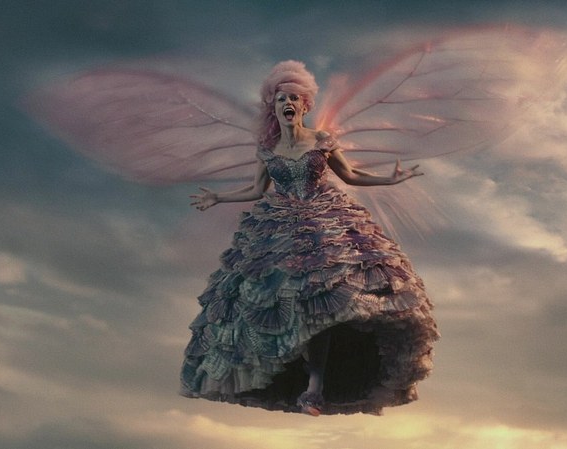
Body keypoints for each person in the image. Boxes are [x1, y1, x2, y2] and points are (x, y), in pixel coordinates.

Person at [183, 60, 439, 416]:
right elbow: (257, 189)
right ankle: (291, 370)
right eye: (281, 99)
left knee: (326, 298)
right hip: (278, 228)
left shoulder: (321, 140)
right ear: (273, 108)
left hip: (324, 224)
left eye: (293, 98)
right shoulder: (268, 150)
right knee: (276, 301)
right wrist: (218, 197)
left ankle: (315, 388)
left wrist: (388, 180)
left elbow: (350, 175)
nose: (287, 103)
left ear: (304, 105)